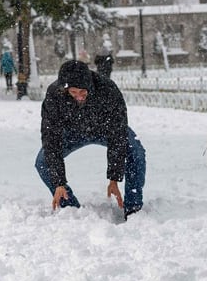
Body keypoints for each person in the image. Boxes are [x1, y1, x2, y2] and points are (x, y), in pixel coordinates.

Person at [34, 60, 147, 219]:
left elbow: (118, 133)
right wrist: (59, 182)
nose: (79, 97)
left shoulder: (107, 89)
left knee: (136, 152)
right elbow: (51, 137)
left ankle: (133, 208)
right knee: (43, 162)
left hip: (105, 129)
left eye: (83, 92)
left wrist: (114, 178)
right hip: (71, 133)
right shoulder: (55, 94)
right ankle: (71, 208)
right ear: (65, 89)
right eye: (74, 93)